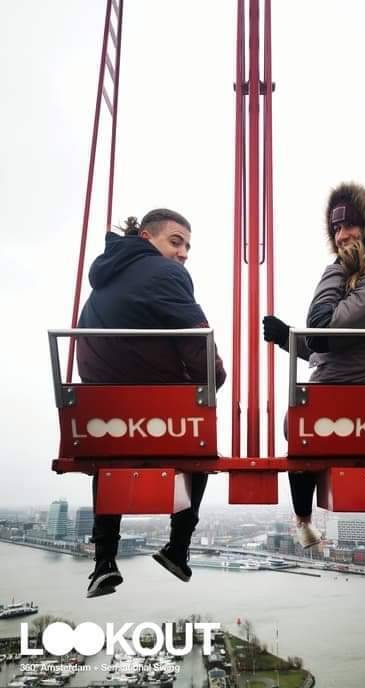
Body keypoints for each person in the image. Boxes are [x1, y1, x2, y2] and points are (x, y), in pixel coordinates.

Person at [263, 182, 365, 564]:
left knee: (301, 427)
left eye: (352, 224)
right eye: (336, 228)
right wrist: (288, 338)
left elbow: (322, 331)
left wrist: (334, 268)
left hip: (340, 409)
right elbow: (339, 349)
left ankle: (303, 521)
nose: (342, 235)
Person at [77, 208, 226, 597]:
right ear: (146, 237)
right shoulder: (167, 274)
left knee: (109, 456)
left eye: (188, 247)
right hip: (161, 411)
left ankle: (104, 561)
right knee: (199, 443)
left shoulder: (102, 280)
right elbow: (198, 342)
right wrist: (216, 377)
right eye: (176, 242)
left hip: (100, 411)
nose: (183, 254)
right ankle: (178, 546)